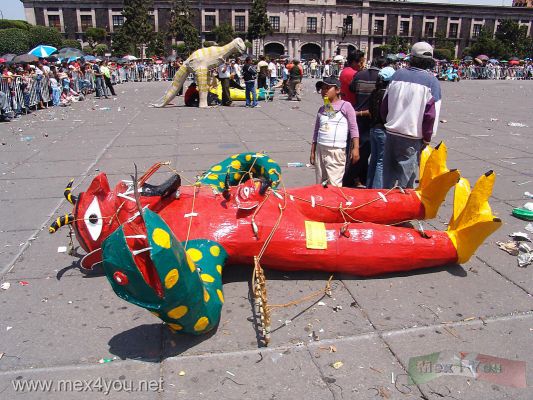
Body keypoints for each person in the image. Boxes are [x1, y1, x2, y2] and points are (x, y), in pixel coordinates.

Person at [381, 42, 442, 189]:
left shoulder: (397, 75)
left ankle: (384, 207)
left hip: (391, 132)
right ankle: (402, 211)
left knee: (387, 178)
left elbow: (384, 105)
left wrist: (388, 122)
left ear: (412, 58)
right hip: (412, 137)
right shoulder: (432, 82)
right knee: (406, 182)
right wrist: (427, 138)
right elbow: (431, 115)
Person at [310, 76, 360, 187]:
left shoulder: (346, 106)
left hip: (336, 150)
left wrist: (355, 148)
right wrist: (313, 151)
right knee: (321, 183)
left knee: (334, 184)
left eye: (327, 88)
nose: (324, 91)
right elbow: (319, 129)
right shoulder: (324, 108)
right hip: (320, 148)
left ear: (337, 90)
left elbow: (353, 128)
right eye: (322, 88)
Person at [344, 56, 385, 187]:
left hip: (358, 115)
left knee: (360, 149)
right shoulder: (381, 77)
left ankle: (360, 178)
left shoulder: (359, 74)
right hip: (372, 118)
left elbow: (352, 89)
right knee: (373, 155)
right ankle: (350, 179)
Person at [367, 66, 395, 189]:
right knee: (381, 162)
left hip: (373, 129)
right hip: (382, 129)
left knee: (373, 159)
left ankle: (369, 186)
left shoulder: (374, 92)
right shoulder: (387, 94)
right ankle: (377, 190)